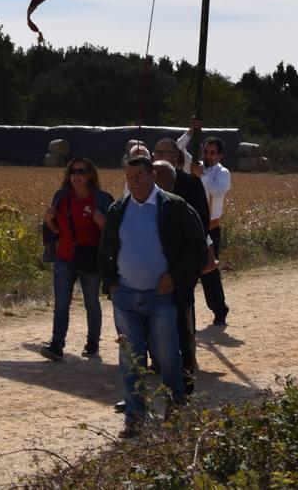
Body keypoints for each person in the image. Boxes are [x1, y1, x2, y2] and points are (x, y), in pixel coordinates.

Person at [99, 156, 206, 438]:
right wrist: (110, 283)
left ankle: (175, 405)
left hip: (161, 298)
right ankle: (135, 417)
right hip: (125, 298)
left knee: (168, 355)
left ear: (153, 176)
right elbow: (106, 249)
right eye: (129, 178)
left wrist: (176, 277)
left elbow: (196, 247)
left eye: (139, 176)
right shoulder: (118, 210)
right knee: (131, 360)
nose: (134, 182)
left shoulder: (175, 208)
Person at [38, 157, 113, 360]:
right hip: (64, 257)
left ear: (90, 175)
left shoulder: (103, 200)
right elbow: (56, 230)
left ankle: (92, 343)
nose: (76, 176)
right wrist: (48, 221)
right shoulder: (62, 197)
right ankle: (56, 345)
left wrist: (102, 223)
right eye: (73, 172)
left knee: (91, 301)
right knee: (61, 302)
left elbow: (111, 235)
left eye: (81, 172)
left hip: (90, 258)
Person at [152, 138, 211, 392]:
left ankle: (186, 370)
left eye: (167, 151)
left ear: (177, 157)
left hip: (182, 263)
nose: (162, 155)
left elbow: (201, 225)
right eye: (158, 151)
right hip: (152, 264)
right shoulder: (144, 182)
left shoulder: (191, 184)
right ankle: (158, 361)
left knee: (181, 316)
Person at [186, 121, 231, 325]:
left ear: (220, 155)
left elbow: (218, 191)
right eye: (206, 151)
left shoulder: (222, 173)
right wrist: (190, 133)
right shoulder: (196, 166)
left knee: (209, 271)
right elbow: (178, 150)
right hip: (191, 226)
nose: (209, 155)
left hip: (210, 227)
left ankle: (219, 309)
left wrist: (201, 175)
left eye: (213, 152)